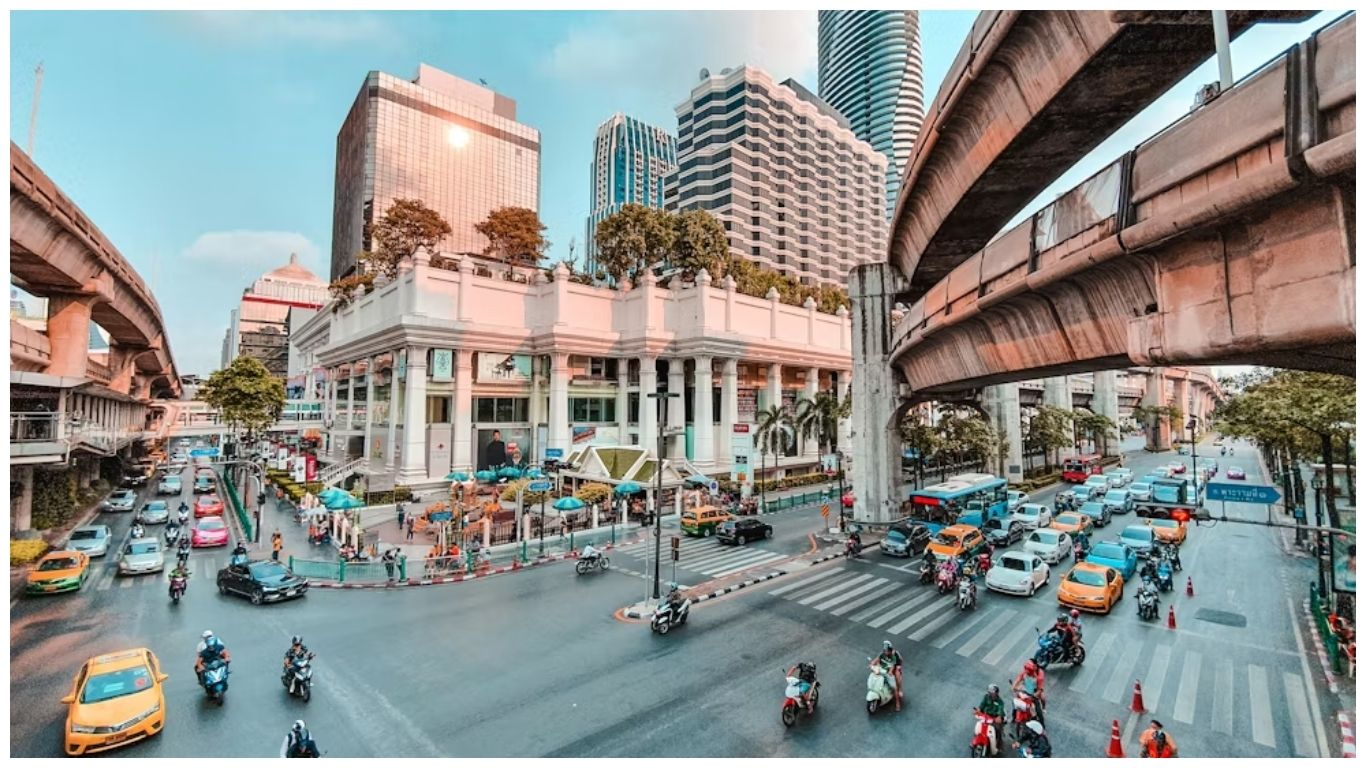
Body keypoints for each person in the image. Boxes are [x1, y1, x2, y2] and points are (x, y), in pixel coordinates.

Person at [877, 640, 904, 711]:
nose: (885, 652)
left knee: (895, 684)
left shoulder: (895, 655)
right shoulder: (882, 654)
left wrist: (893, 670)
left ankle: (898, 702)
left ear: (890, 650)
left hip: (894, 669)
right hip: (885, 669)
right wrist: (873, 665)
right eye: (884, 650)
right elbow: (877, 659)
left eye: (886, 651)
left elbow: (895, 664)